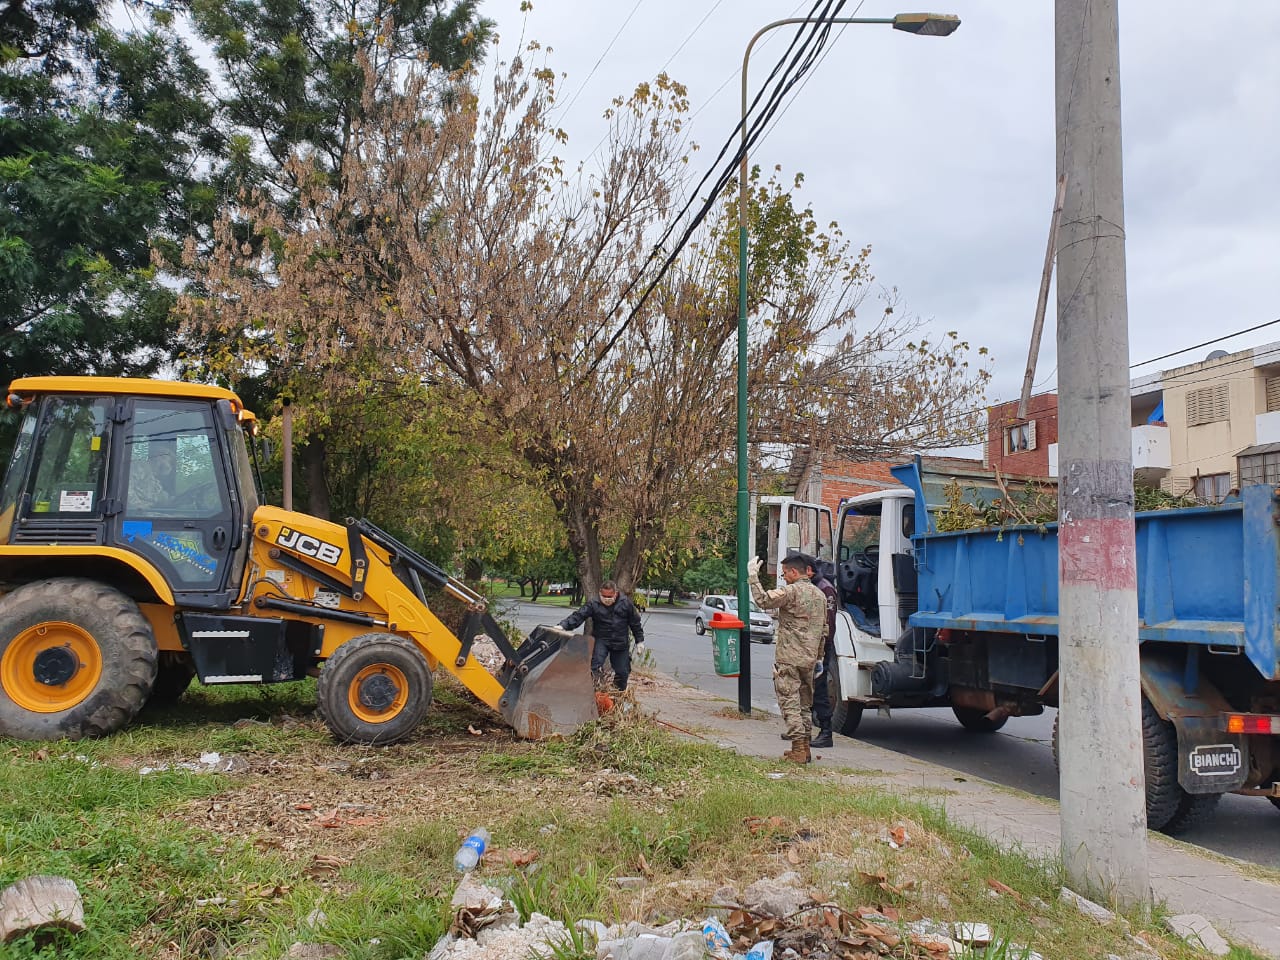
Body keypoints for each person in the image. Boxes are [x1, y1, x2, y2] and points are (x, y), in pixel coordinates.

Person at [748, 553, 827, 764]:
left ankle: (798, 749)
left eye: (784, 574)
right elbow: (824, 630)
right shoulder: (820, 595)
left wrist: (753, 578)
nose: (784, 578)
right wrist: (819, 656)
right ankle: (806, 748)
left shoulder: (791, 592)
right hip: (809, 659)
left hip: (789, 658)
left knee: (789, 703)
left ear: (794, 572)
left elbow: (764, 601)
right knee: (804, 705)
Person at [558, 580, 645, 691]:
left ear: (616, 593)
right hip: (601, 639)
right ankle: (591, 691)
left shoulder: (625, 603)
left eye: (610, 597)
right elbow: (579, 616)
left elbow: (635, 623)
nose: (607, 599)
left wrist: (639, 641)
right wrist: (563, 626)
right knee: (595, 666)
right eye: (604, 596)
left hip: (620, 642)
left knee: (622, 671)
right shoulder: (594, 603)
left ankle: (617, 693)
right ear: (600, 593)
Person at [801, 554, 839, 749]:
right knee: (804, 688)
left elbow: (828, 624)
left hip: (820, 647)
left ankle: (826, 731)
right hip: (807, 646)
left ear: (810, 570)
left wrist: (821, 649)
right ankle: (801, 730)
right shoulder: (811, 588)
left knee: (819, 688)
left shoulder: (825, 589)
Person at [129, 443, 176, 511]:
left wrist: (179, 500)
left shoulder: (154, 480)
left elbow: (161, 498)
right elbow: (126, 489)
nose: (170, 466)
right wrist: (139, 506)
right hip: (137, 513)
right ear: (159, 457)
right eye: (170, 462)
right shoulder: (140, 467)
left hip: (146, 512)